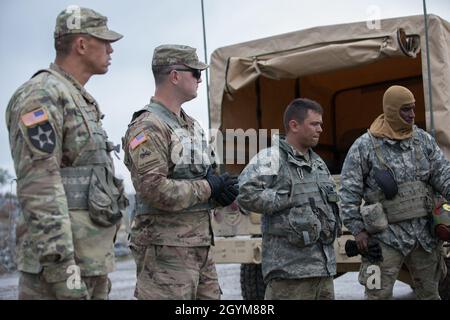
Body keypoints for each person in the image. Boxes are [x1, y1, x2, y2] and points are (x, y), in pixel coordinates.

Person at [5, 6, 127, 300]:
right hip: (58, 269)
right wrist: (64, 272)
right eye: (104, 40)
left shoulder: (79, 98)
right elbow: (40, 188)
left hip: (89, 261)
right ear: (81, 44)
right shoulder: (42, 95)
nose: (111, 49)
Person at [122, 44, 238, 300]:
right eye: (195, 73)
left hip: (199, 247)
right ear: (175, 76)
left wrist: (221, 194)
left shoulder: (191, 126)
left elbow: (204, 177)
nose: (200, 78)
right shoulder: (148, 126)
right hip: (166, 252)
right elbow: (154, 190)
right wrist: (209, 188)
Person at [339, 85, 449, 300]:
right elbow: (348, 192)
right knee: (377, 294)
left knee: (430, 294)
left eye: (413, 109)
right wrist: (358, 230)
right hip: (384, 238)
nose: (412, 115)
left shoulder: (423, 140)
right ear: (391, 110)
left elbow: (444, 175)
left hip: (424, 236)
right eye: (405, 110)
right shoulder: (365, 146)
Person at [238, 98, 341, 300]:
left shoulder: (317, 163)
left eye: (320, 124)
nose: (320, 129)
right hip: (289, 275)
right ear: (294, 125)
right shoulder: (272, 158)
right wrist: (282, 198)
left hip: (322, 272)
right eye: (314, 124)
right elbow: (245, 193)